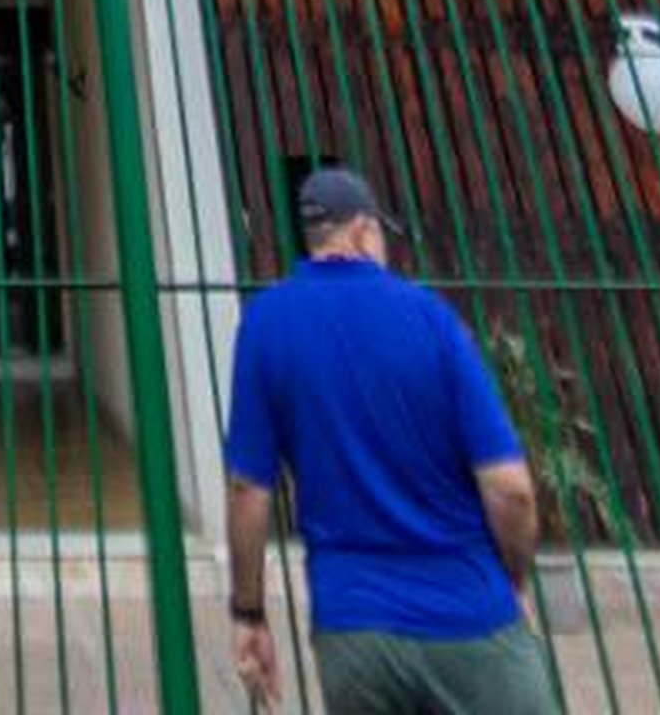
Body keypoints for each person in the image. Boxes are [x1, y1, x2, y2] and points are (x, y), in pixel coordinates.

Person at [220, 165, 559, 713]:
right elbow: (509, 488)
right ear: (360, 230)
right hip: (471, 610)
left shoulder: (266, 322)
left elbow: (247, 490)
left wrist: (249, 613)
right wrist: (512, 578)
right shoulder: (430, 318)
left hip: (353, 624)